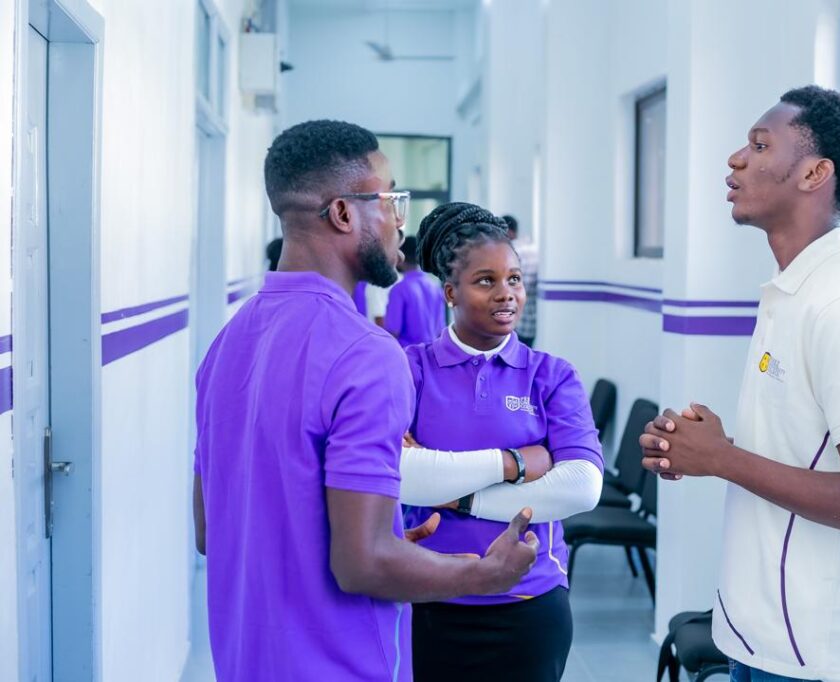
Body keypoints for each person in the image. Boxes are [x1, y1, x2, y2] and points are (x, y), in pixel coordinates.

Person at [192, 120, 540, 682]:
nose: (401, 221)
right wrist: (483, 574)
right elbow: (362, 564)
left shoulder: (228, 343)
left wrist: (395, 546)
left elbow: (213, 531)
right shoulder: (365, 354)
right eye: (392, 200)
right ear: (343, 213)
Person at [641, 86, 840, 682]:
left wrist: (722, 459)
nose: (735, 159)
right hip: (757, 633)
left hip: (812, 652)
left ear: (814, 174)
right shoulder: (791, 290)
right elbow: (798, 451)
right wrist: (700, 449)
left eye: (759, 146)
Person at [400, 202, 604, 682]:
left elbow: (581, 487)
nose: (506, 293)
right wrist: (514, 463)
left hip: (529, 603)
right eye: (485, 280)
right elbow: (397, 474)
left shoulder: (551, 376)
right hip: (429, 597)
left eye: (514, 279)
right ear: (450, 292)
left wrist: (459, 497)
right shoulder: (410, 369)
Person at [384, 235, 447, 347]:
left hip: (407, 355)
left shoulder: (399, 290)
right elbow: (440, 331)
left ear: (401, 257)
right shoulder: (435, 288)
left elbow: (393, 332)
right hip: (431, 354)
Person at [502, 214, 539, 347]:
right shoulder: (534, 249)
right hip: (532, 322)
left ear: (507, 231)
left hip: (515, 322)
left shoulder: (510, 252)